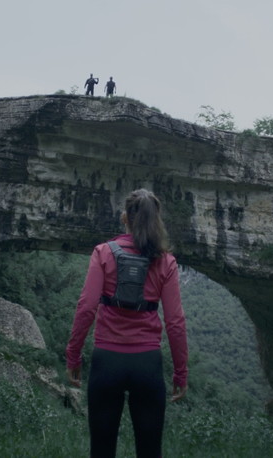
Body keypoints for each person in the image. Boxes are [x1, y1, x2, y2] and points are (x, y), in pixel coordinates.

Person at [66, 189, 188, 458]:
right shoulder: (166, 261)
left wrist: (73, 355)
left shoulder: (103, 252)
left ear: (125, 218)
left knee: (101, 450)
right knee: (149, 452)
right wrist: (180, 372)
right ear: (156, 220)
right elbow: (175, 322)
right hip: (147, 364)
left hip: (106, 361)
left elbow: (86, 307)